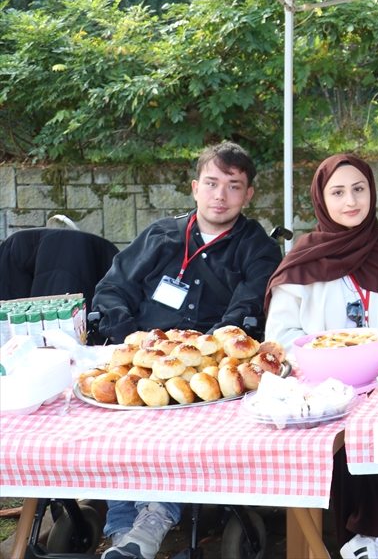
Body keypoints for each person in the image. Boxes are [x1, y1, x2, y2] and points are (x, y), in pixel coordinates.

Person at [93, 142, 281, 559]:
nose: (220, 195)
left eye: (234, 186)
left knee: (170, 422)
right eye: (212, 184)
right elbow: (112, 288)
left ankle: (150, 522)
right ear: (195, 187)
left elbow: (244, 314)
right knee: (116, 415)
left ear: (249, 195)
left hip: (207, 374)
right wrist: (133, 341)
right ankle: (125, 532)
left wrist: (187, 358)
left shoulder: (259, 248)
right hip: (141, 358)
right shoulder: (160, 235)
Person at [265, 154, 378, 559]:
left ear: (372, 192)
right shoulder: (303, 259)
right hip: (321, 386)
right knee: (333, 431)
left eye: (359, 189)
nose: (350, 201)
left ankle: (375, 540)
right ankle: (350, 540)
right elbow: (281, 335)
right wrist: (324, 362)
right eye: (337, 192)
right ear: (321, 200)